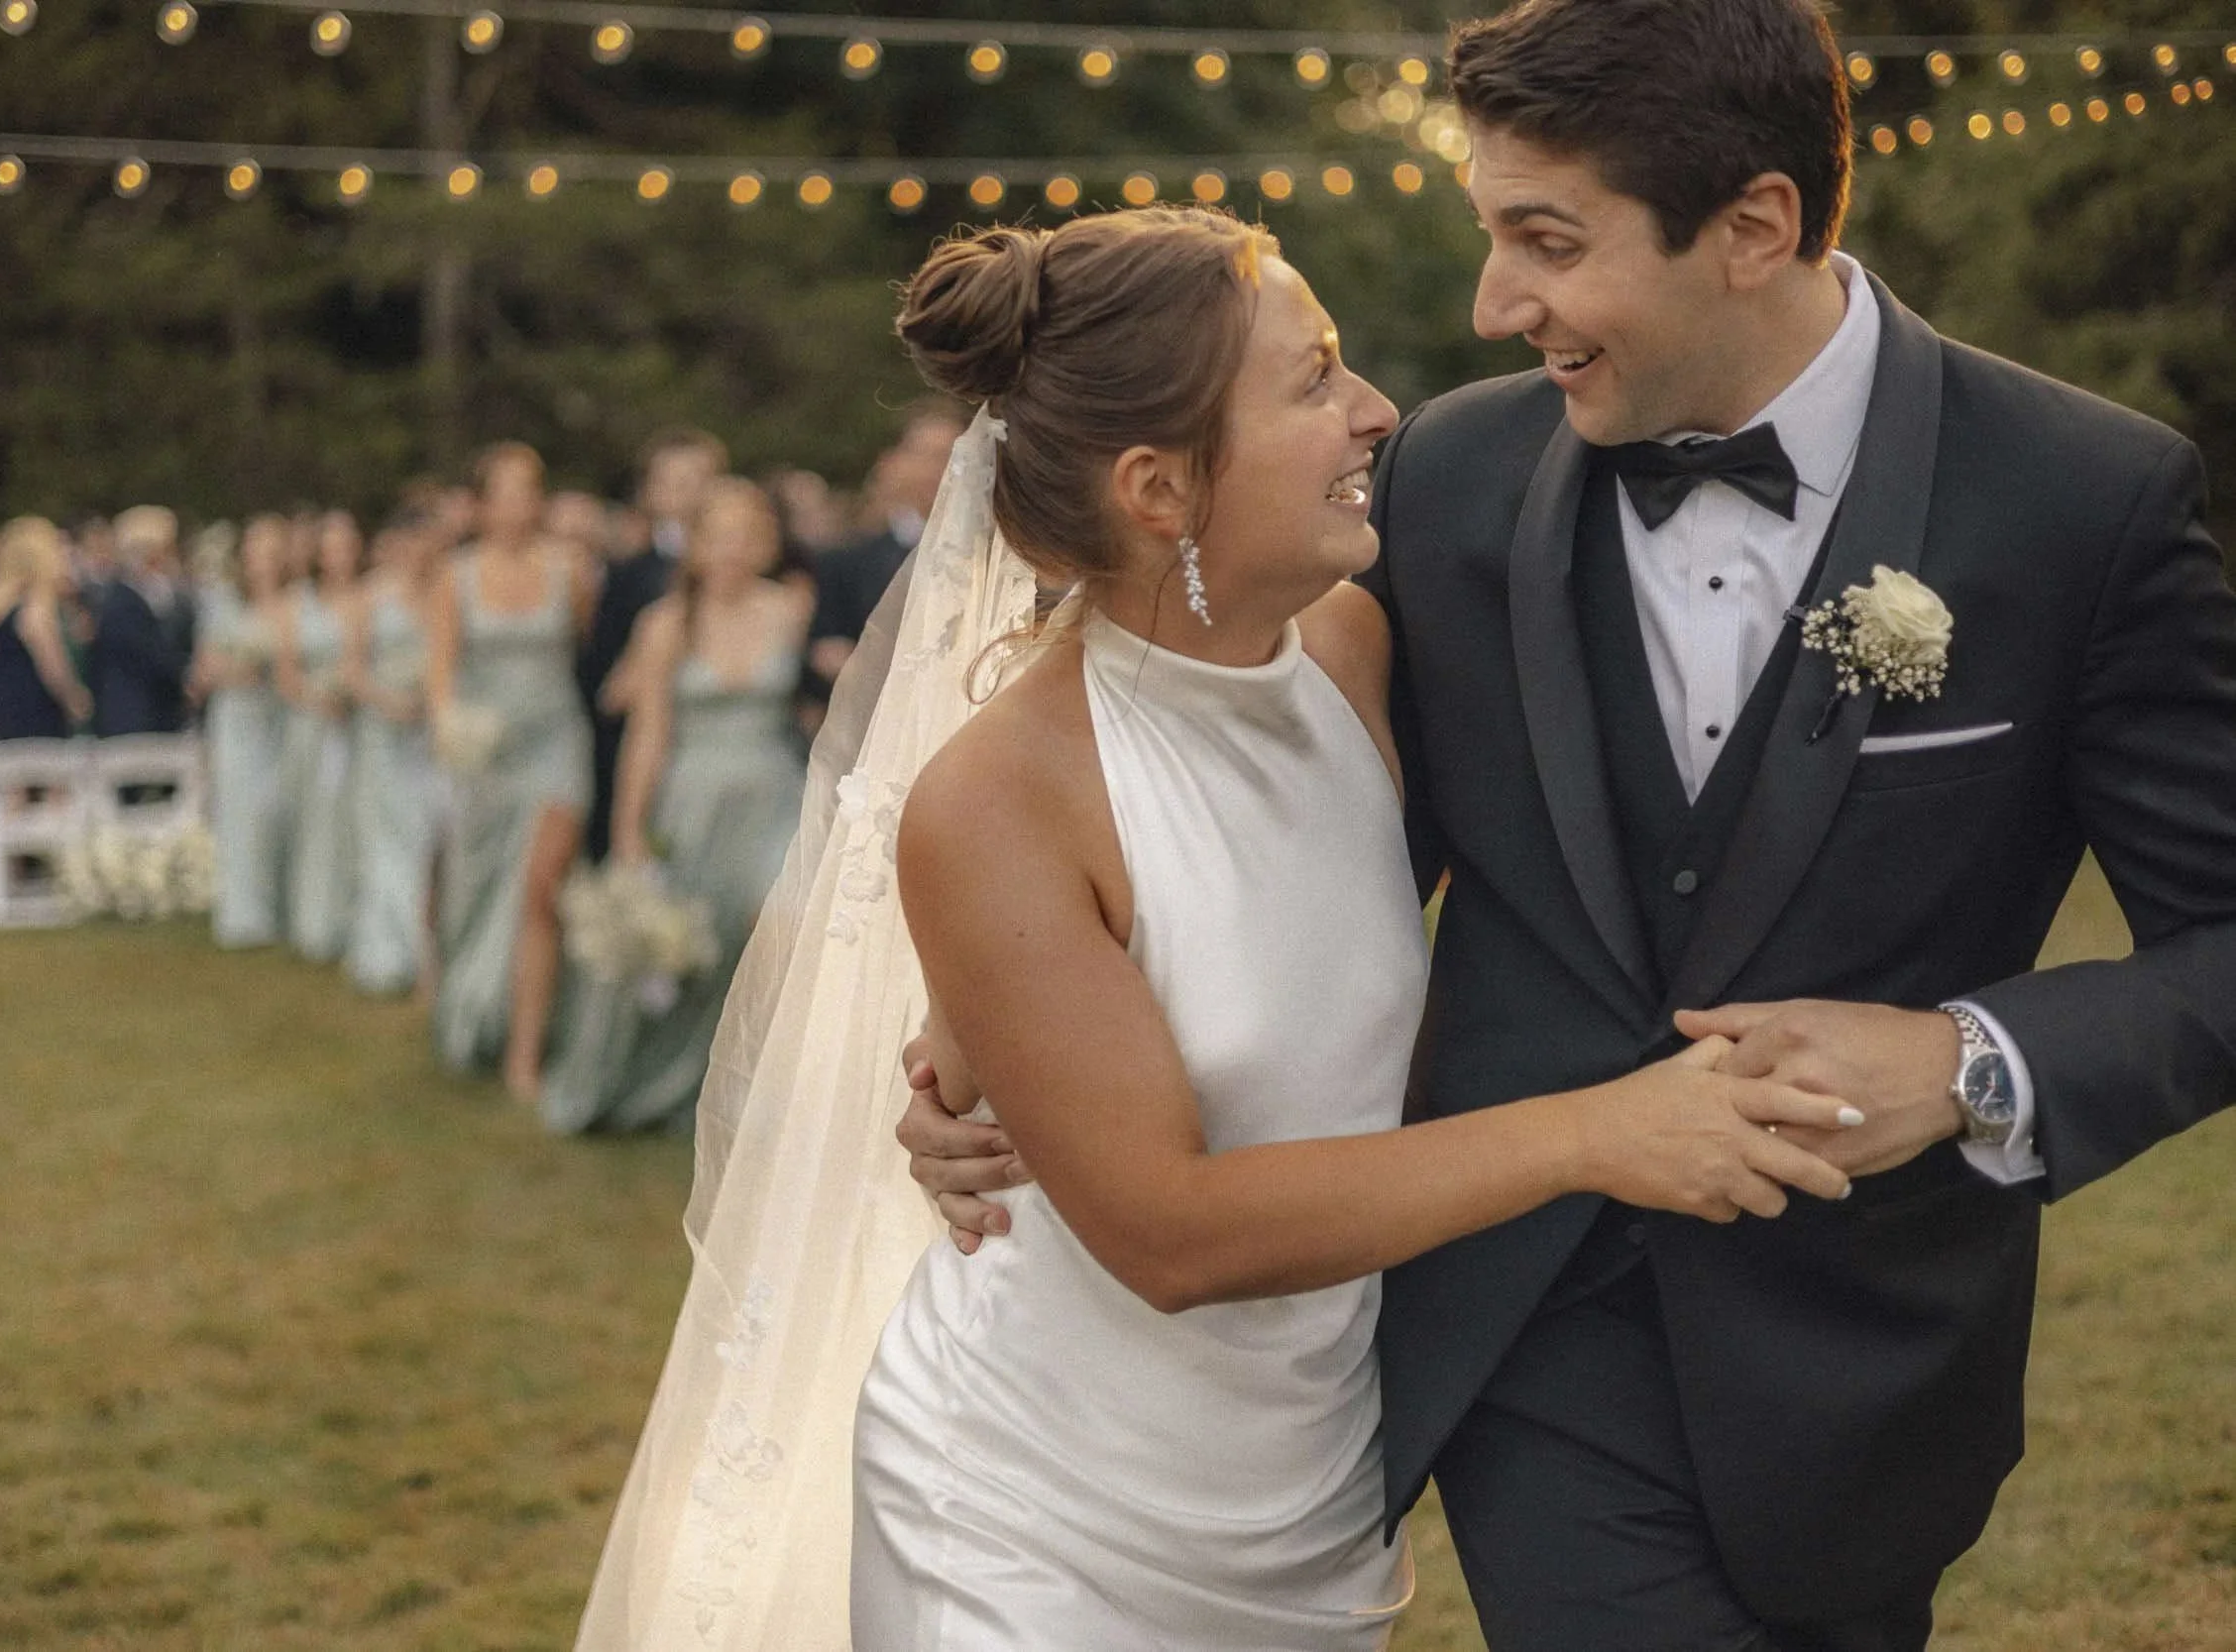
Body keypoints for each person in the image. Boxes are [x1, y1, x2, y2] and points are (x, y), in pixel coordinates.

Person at [905, 4, 2236, 1648]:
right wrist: (985, 1019)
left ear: (1753, 226)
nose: (1492, 306)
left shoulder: (2079, 501)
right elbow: (1221, 788)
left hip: (1866, 1350)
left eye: (1547, 240)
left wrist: (1966, 1062)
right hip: (1525, 1321)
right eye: (1493, 234)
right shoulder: (1456, 483)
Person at [576, 208, 1862, 1650]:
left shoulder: (1357, 660)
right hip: (1034, 1522)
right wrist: (1600, 1133)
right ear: (1158, 487)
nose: (1378, 410)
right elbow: (1168, 1231)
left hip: (1306, 1507)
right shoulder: (1001, 799)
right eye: (1313, 382)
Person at [538, 479, 811, 1135]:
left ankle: (762, 1094)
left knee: (779, 926)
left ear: (767, 543)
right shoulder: (664, 624)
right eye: (719, 535)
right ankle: (661, 1084)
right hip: (691, 801)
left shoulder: (792, 610)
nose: (733, 549)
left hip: (777, 795)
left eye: (747, 534)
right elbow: (648, 735)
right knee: (691, 951)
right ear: (695, 545)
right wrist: (631, 831)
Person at [429, 442, 601, 1093]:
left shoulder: (571, 567)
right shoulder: (456, 574)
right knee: (479, 891)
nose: (518, 502)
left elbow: (585, 650)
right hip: (488, 757)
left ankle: (526, 1055)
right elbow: (441, 671)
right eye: (504, 489)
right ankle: (476, 1011)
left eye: (530, 488)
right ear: (480, 503)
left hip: (556, 744)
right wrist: (454, 729)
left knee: (540, 887)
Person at [578, 428, 727, 861]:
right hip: (654, 750)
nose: (692, 493)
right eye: (677, 482)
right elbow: (603, 681)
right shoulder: (630, 575)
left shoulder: (762, 566)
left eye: (702, 479)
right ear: (652, 493)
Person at [801, 408, 963, 724]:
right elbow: (823, 657)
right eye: (924, 455)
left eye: (949, 455)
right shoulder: (844, 561)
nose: (936, 470)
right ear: (892, 462)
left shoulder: (1001, 557)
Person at [341, 513, 444, 997]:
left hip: (430, 736)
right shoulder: (370, 596)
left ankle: (427, 951)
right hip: (384, 736)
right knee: (387, 841)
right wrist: (389, 701)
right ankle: (388, 952)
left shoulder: (445, 594)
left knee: (430, 839)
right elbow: (353, 670)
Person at [193, 514, 289, 948]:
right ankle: (244, 914)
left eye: (271, 553)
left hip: (284, 718)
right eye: (255, 552)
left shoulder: (295, 600)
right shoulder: (224, 602)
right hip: (237, 721)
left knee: (279, 811)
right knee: (243, 814)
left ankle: (285, 907)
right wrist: (245, 670)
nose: (262, 562)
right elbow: (205, 669)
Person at [274, 507, 362, 963]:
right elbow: (286, 675)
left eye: (346, 548)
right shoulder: (296, 603)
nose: (339, 558)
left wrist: (352, 695)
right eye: (331, 549)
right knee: (315, 825)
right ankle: (314, 924)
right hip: (311, 728)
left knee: (353, 824)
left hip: (357, 727)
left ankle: (353, 923)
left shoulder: (366, 599)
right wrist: (319, 698)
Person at [0, 515, 90, 739]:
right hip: (36, 713)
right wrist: (73, 696)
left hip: (6, 711)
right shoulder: (35, 604)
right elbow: (49, 661)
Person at [87, 504, 195, 739]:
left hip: (151, 716)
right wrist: (190, 677)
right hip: (134, 719)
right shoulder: (121, 604)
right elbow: (151, 655)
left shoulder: (147, 596)